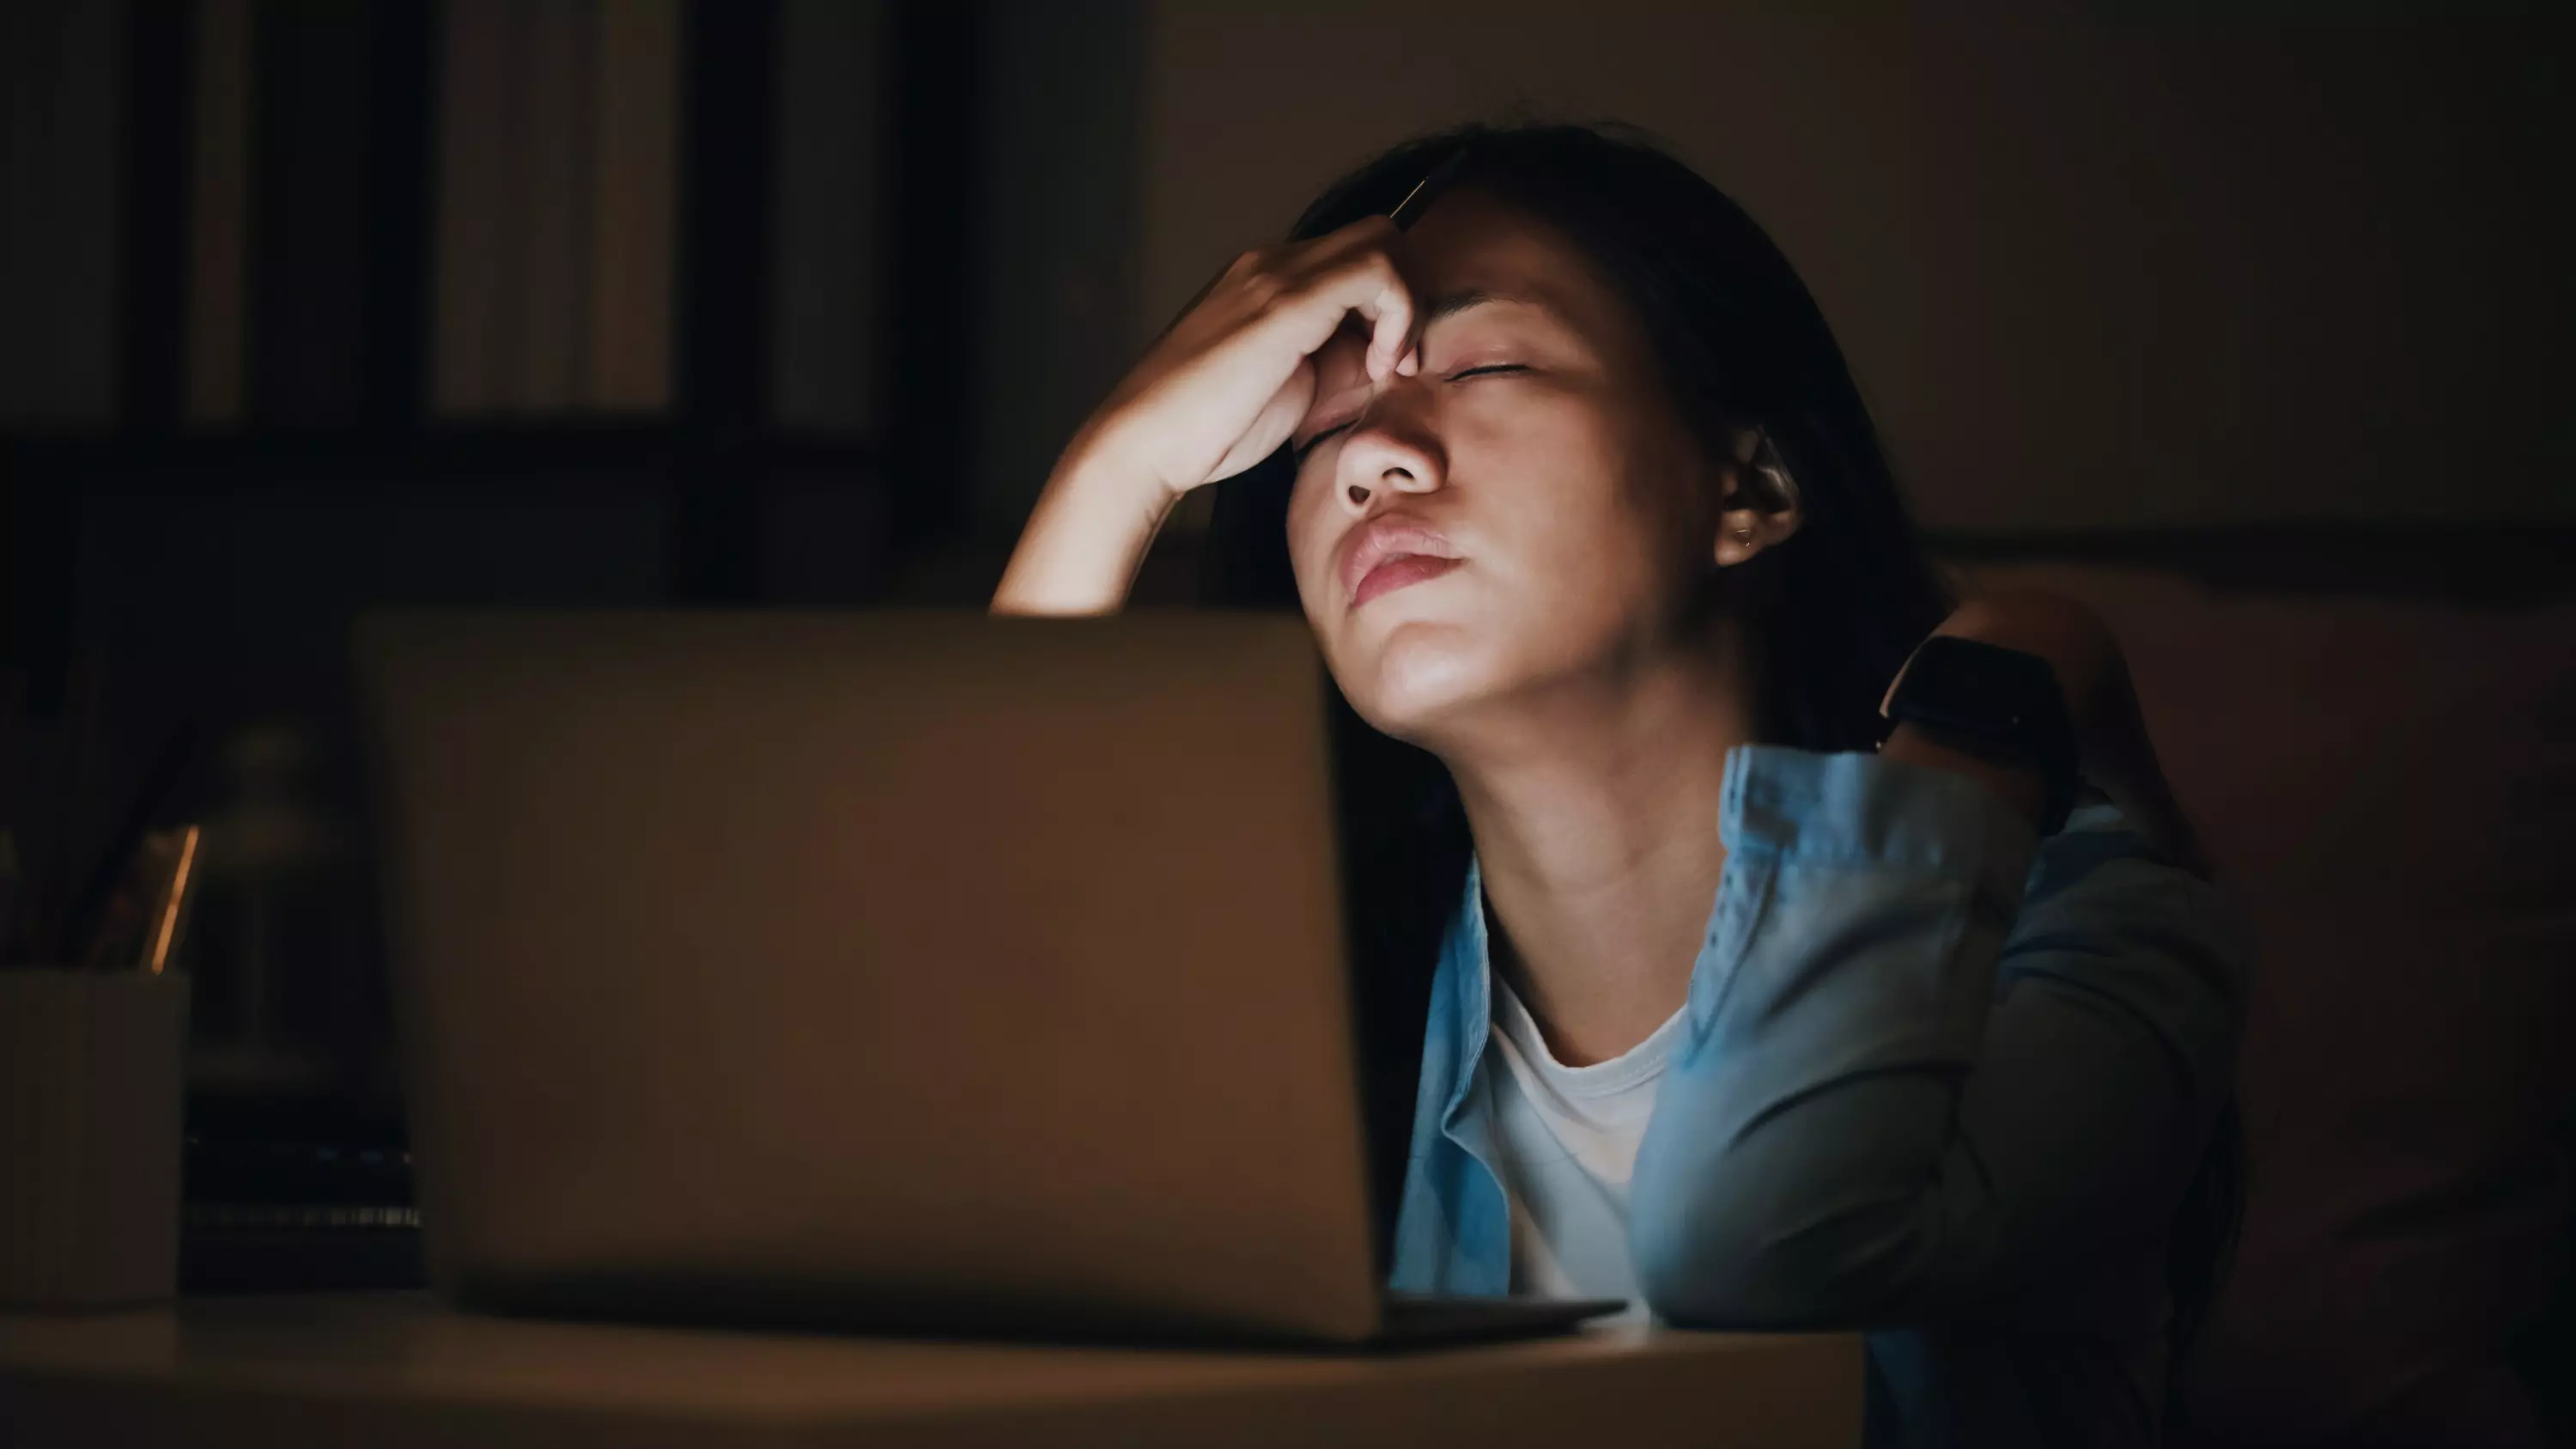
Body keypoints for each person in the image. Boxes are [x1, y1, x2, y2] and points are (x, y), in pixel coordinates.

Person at [993, 123, 2246, 1448]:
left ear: (1751, 484)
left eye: (1485, 362)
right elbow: (945, 1067)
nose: (1372, 458)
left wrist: (1989, 695)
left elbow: (1763, 1240)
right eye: (1329, 425)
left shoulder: (2098, 939)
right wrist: (1123, 467)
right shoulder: (1341, 1001)